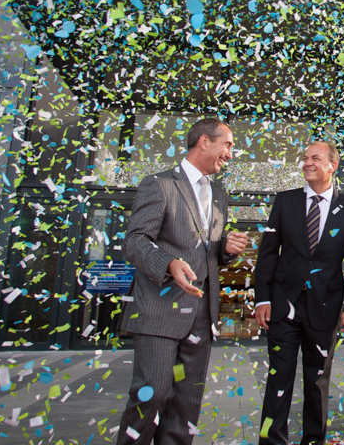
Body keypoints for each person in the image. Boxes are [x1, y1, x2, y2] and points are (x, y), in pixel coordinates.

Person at [117, 119, 248, 445]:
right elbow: (134, 242)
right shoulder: (159, 185)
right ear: (204, 141)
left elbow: (209, 253)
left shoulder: (219, 194)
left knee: (186, 405)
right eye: (227, 145)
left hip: (202, 314)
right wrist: (168, 263)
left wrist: (227, 250)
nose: (230, 154)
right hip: (159, 309)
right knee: (153, 394)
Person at [253, 141, 344, 445]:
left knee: (317, 380)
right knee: (279, 377)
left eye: (315, 158)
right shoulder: (285, 201)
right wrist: (263, 298)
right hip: (283, 305)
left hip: (326, 306)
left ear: (332, 166)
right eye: (305, 158)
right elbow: (267, 255)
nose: (307, 163)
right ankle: (271, 441)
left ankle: (314, 440)